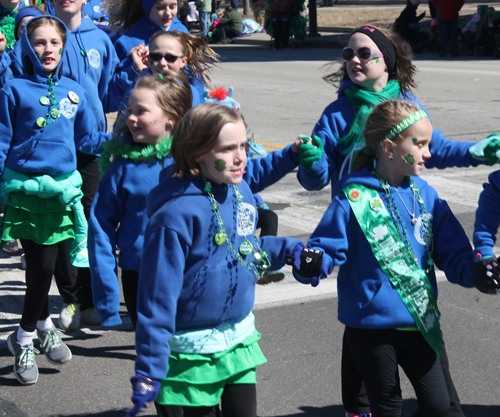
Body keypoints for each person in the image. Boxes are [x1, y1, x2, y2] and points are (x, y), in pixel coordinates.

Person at [296, 25, 500, 417]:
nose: (354, 60)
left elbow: (434, 147)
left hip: (409, 288)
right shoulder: (338, 112)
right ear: (388, 147)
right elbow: (315, 178)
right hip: (362, 221)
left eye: (365, 54)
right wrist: (312, 162)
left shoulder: (408, 116)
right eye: (348, 54)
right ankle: (358, 407)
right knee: (365, 319)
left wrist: (474, 152)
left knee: (425, 387)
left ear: (386, 62)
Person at [125, 102, 317, 417]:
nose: (240, 156)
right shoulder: (174, 216)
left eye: (243, 145)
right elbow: (156, 298)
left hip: (239, 342)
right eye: (227, 148)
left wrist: (292, 251)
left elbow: (248, 252)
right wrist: (149, 365)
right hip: (189, 354)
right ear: (196, 152)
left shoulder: (238, 189)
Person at [0, 15, 106, 385]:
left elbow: (85, 140)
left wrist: (123, 142)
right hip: (25, 193)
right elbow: (1, 140)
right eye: (40, 42)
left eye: (55, 43)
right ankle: (26, 337)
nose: (48, 49)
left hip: (62, 193)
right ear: (28, 47)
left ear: (63, 47)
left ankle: (42, 327)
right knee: (41, 267)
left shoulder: (73, 91)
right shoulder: (13, 89)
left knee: (48, 264)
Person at [89, 72, 193, 329]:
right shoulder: (121, 169)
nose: (130, 118)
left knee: (185, 345)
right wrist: (107, 297)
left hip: (186, 269)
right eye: (129, 110)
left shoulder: (192, 162)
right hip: (138, 271)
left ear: (171, 118)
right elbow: (100, 227)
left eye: (141, 111)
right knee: (149, 344)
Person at [110, 0, 190, 63]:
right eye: (160, 7)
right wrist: (133, 68)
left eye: (172, 7)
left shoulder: (183, 33)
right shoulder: (127, 41)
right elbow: (115, 81)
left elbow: (195, 76)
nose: (168, 13)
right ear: (147, 7)